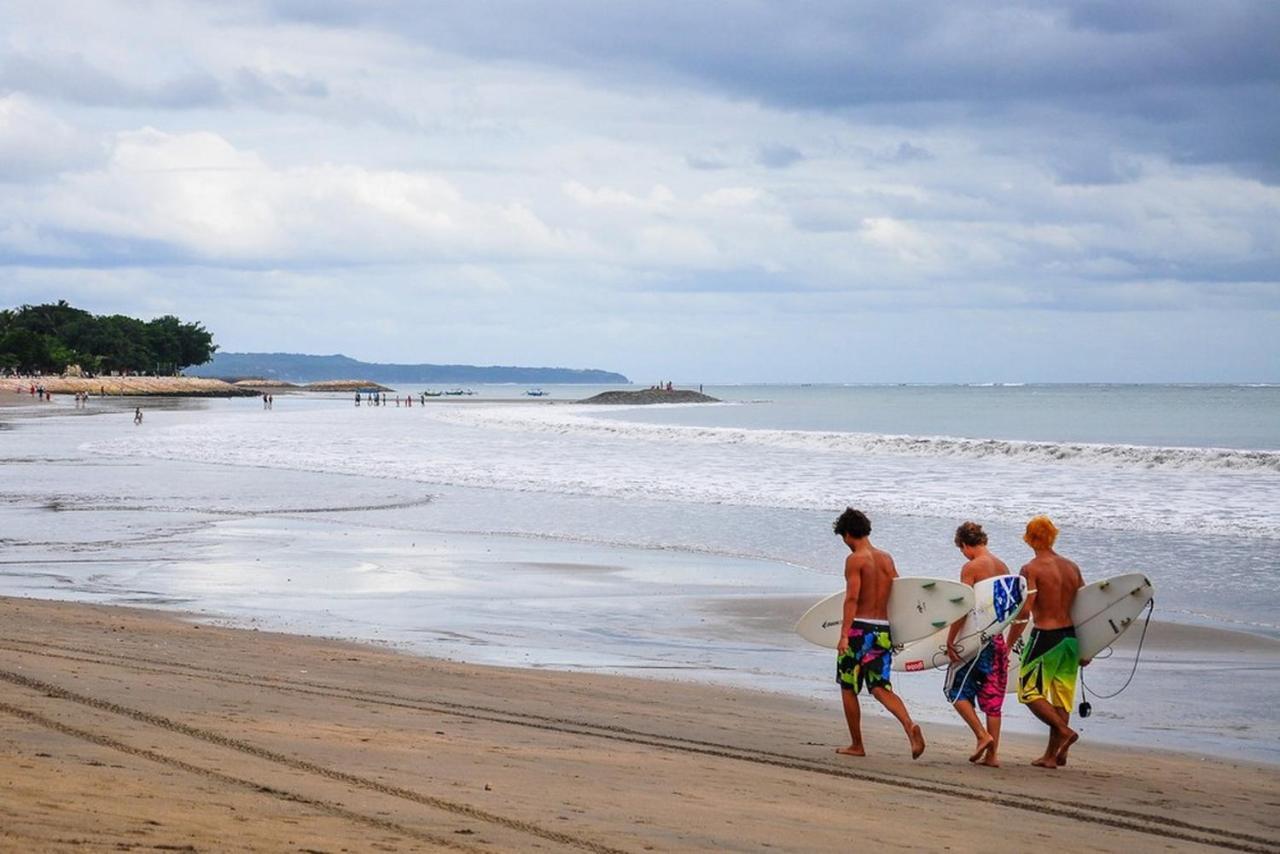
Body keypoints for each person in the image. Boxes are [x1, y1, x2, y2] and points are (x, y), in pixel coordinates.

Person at [832, 507, 926, 759]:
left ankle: (857, 744)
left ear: (850, 533)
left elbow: (852, 598)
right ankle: (909, 725)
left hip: (859, 631)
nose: (846, 544)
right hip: (882, 631)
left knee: (848, 686)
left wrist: (843, 635)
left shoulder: (855, 560)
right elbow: (900, 592)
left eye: (844, 538)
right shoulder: (886, 558)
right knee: (880, 687)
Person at [1007, 515, 1085, 769]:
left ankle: (1064, 732)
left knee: (1029, 692)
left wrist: (1009, 643)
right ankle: (1054, 755)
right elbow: (1087, 608)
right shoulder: (1072, 567)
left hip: (1045, 637)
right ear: (1052, 536)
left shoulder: (1031, 569)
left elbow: (1025, 611)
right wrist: (1088, 647)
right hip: (1070, 638)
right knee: (1061, 697)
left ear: (1029, 538)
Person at [944, 521, 1011, 767]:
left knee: (955, 691)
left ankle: (982, 736)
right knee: (992, 699)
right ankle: (993, 756)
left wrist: (951, 639)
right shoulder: (1003, 566)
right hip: (997, 638)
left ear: (965, 545)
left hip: (976, 641)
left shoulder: (971, 567)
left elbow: (963, 607)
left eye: (961, 549)